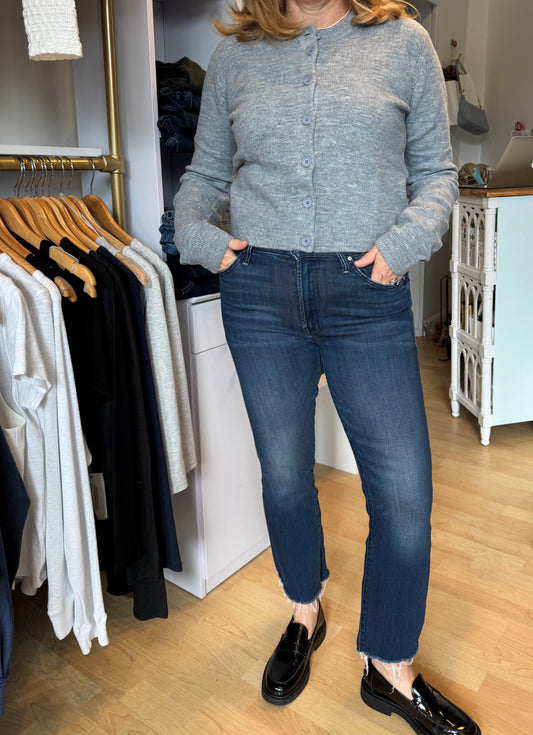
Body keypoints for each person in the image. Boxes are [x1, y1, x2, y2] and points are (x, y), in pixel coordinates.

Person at [173, 1, 481, 733]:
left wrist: (400, 249)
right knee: (283, 473)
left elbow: (436, 174)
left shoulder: (403, 43)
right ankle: (303, 611)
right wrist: (197, 237)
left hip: (365, 292)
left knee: (402, 490)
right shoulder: (235, 58)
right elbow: (204, 176)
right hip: (259, 295)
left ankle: (388, 664)